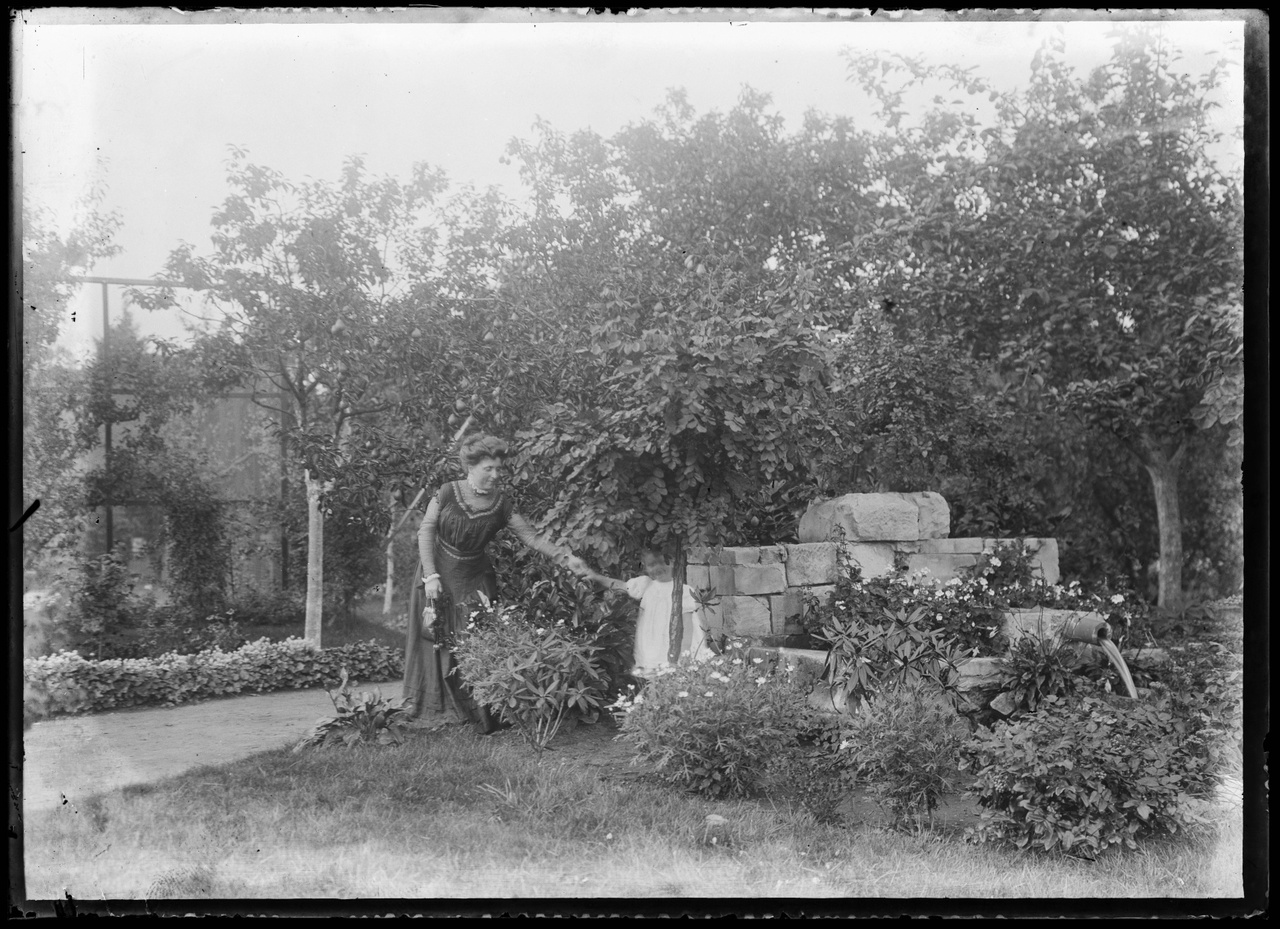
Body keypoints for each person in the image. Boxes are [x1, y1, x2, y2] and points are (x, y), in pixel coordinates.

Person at [404, 433, 590, 733]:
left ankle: (478, 714)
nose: (495, 474)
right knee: (435, 638)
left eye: (498, 469)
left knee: (472, 642)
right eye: (488, 468)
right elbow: (425, 532)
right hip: (437, 572)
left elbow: (530, 537)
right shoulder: (448, 492)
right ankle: (437, 709)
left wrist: (566, 557)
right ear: (471, 466)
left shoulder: (502, 503)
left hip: (474, 577)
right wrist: (431, 576)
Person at [589, 550, 711, 679]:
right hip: (653, 647)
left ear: (673, 562)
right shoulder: (646, 586)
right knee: (655, 682)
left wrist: (683, 656)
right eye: (651, 565)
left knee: (678, 681)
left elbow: (686, 626)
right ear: (645, 567)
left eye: (662, 562)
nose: (658, 568)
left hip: (676, 647)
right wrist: (594, 576)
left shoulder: (683, 590)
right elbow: (621, 585)